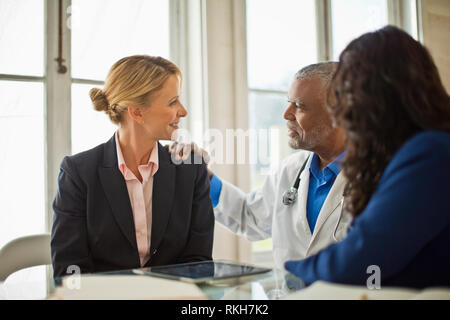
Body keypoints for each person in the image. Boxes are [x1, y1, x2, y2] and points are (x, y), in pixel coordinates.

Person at [285, 26, 450, 288]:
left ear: (380, 95)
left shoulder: (431, 153)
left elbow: (365, 254)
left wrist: (290, 274)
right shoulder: (404, 156)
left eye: (348, 94)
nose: (341, 112)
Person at [173, 62, 353, 269]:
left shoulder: (381, 177)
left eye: (300, 105)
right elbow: (249, 217)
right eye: (289, 103)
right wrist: (203, 176)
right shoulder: (290, 171)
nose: (286, 114)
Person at [51, 55, 215, 278]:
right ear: (137, 112)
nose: (183, 111)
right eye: (172, 102)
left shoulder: (191, 169)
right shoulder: (78, 173)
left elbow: (199, 263)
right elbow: (70, 272)